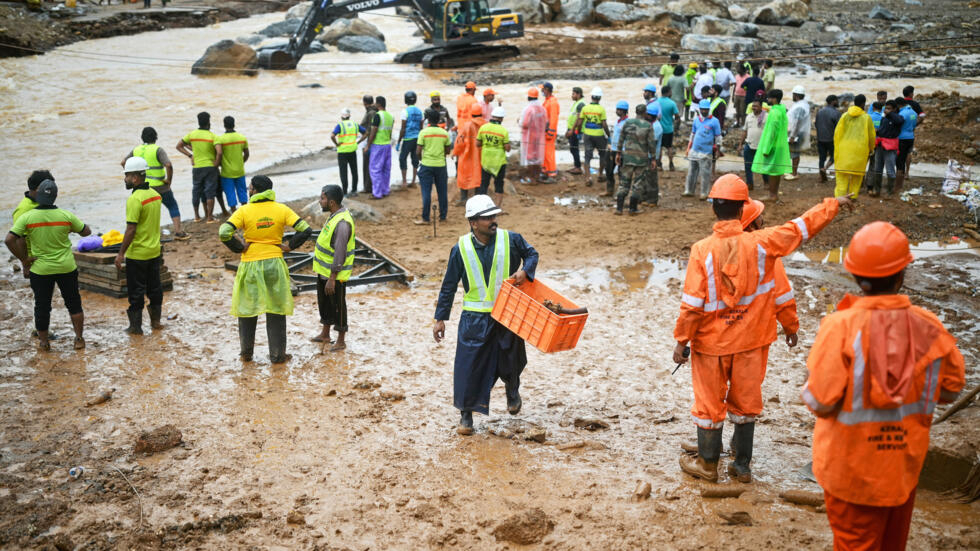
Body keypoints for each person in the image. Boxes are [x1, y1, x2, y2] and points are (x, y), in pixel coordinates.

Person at [674, 174, 850, 482]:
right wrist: (832, 205)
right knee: (745, 403)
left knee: (708, 403)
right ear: (743, 209)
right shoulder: (763, 243)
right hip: (752, 342)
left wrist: (681, 341)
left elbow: (692, 305)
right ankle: (741, 467)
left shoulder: (702, 251)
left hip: (712, 345)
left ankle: (707, 465)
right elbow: (800, 228)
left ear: (714, 208)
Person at [802, 221, 964, 550]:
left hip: (849, 475)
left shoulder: (840, 328)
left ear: (855, 277)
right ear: (902, 274)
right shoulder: (930, 327)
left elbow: (819, 401)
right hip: (902, 469)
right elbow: (951, 389)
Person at [433, 194, 539, 435]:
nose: (494, 220)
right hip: (474, 319)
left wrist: (526, 272)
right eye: (488, 217)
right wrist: (440, 318)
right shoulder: (460, 249)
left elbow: (532, 254)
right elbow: (449, 285)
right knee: (468, 367)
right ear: (473, 222)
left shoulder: (511, 239)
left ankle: (512, 389)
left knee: (512, 359)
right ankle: (466, 416)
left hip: (507, 314)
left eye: (494, 216)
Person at [218, 175, 311, 364]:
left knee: (247, 309)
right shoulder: (282, 209)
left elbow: (223, 232)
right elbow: (305, 229)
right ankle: (277, 355)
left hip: (250, 263)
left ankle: (246, 353)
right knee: (276, 309)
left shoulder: (244, 211)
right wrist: (290, 246)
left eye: (249, 187)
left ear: (254, 190)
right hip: (274, 263)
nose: (248, 190)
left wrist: (239, 247)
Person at [6, 180, 91, 351]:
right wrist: (72, 229)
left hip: (41, 269)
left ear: (37, 195)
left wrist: (24, 259)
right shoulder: (66, 216)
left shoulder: (27, 217)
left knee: (42, 306)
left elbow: (9, 239)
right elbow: (86, 232)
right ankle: (79, 339)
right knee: (74, 303)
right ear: (55, 196)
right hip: (66, 267)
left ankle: (44, 343)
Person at [116, 157, 164, 335]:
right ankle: (156, 322)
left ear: (135, 178)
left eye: (127, 175)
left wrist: (121, 253)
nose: (125, 179)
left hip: (138, 254)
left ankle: (136, 327)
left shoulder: (135, 199)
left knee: (136, 293)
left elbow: (131, 229)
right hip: (154, 251)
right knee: (155, 288)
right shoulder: (155, 195)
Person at [311, 184, 354, 353]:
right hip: (324, 272)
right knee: (325, 303)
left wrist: (332, 278)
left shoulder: (342, 223)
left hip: (335, 275)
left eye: (322, 198)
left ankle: (341, 339)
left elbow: (340, 251)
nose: (319, 201)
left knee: (338, 306)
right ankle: (325, 333)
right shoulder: (334, 216)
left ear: (331, 202)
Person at [124, 128, 187, 240]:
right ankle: (178, 232)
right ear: (156, 137)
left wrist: (131, 177)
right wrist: (169, 181)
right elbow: (168, 165)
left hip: (143, 186)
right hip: (160, 186)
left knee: (144, 212)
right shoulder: (158, 150)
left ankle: (145, 234)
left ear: (142, 137)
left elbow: (124, 162)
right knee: (172, 206)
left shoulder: (136, 150)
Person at [177, 112, 227, 223]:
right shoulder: (213, 136)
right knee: (210, 192)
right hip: (210, 167)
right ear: (209, 122)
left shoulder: (192, 135)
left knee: (196, 191)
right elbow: (219, 152)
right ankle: (209, 217)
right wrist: (216, 163)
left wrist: (191, 155)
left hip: (197, 167)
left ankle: (197, 217)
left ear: (198, 122)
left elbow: (179, 146)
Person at [616, 104, 658, 215]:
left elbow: (621, 139)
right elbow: (651, 144)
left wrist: (618, 153)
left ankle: (619, 208)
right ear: (645, 113)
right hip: (641, 159)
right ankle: (632, 208)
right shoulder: (648, 125)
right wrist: (653, 158)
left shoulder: (628, 123)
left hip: (628, 156)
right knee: (638, 184)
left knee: (624, 182)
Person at [833, 94, 876, 199]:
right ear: (863, 104)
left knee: (842, 176)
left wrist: (837, 148)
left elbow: (837, 134)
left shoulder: (844, 116)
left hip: (844, 150)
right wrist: (871, 148)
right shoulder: (867, 118)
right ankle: (852, 197)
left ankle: (840, 198)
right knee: (857, 176)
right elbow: (871, 136)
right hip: (860, 151)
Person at [752, 89, 791, 202]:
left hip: (773, 145)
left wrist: (766, 148)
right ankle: (774, 194)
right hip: (779, 144)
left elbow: (772, 132)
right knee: (776, 171)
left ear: (774, 99)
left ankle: (772, 195)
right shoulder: (781, 110)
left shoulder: (774, 112)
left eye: (769, 98)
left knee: (773, 171)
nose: (767, 100)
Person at [415, 109, 452, 225]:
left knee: (426, 192)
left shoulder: (423, 133)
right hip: (441, 165)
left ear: (428, 120)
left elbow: (418, 151)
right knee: (442, 192)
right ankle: (443, 217)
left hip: (427, 165)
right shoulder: (444, 133)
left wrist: (421, 159)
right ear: (438, 120)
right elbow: (447, 150)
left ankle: (426, 218)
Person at [685, 99, 722, 199]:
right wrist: (689, 147)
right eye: (702, 110)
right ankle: (689, 190)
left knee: (705, 173)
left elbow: (718, 137)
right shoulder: (696, 120)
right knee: (692, 171)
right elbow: (692, 134)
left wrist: (718, 150)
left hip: (706, 151)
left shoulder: (714, 121)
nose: (704, 111)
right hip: (695, 150)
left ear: (709, 109)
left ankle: (704, 193)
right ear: (700, 109)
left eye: (706, 110)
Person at [476, 107, 511, 210]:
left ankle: (482, 207)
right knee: (499, 184)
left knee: (484, 184)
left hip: (486, 160)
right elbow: (507, 148)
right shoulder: (503, 131)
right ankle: (497, 207)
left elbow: (477, 144)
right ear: (501, 118)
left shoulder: (483, 128)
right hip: (499, 161)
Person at [575, 87, 610, 189]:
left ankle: (588, 178)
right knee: (602, 154)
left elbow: (580, 122)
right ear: (600, 98)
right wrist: (608, 135)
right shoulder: (601, 109)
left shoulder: (585, 108)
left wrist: (579, 133)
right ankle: (600, 175)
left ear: (591, 97)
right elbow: (604, 124)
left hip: (587, 135)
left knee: (587, 156)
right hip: (599, 134)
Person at [214, 116, 250, 212]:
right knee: (242, 191)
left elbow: (219, 154)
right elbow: (247, 154)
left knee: (230, 193)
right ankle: (245, 211)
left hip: (226, 172)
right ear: (234, 124)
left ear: (224, 125)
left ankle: (234, 212)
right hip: (240, 170)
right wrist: (241, 162)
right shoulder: (242, 138)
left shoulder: (220, 139)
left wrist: (219, 164)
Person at [870, 100, 904, 197]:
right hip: (880, 145)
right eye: (886, 108)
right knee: (877, 169)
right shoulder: (884, 119)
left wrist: (891, 114)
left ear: (894, 109)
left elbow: (899, 121)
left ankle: (889, 192)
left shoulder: (898, 118)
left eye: (889, 108)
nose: (886, 110)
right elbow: (881, 130)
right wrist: (877, 131)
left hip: (890, 147)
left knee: (890, 170)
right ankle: (877, 190)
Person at [453, 103, 485, 204]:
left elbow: (460, 140)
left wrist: (455, 152)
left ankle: (463, 198)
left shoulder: (467, 125)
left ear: (471, 114)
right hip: (481, 156)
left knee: (463, 176)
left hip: (467, 155)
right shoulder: (485, 125)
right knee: (479, 177)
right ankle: (478, 199)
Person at [332, 108, 366, 196]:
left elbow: (332, 135)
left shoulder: (340, 125)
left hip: (342, 151)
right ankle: (354, 190)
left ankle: (345, 192)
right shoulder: (355, 124)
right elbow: (366, 133)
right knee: (354, 171)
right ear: (349, 116)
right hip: (352, 150)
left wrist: (337, 144)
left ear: (341, 117)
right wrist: (358, 142)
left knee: (344, 172)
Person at [366, 96, 394, 199]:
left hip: (378, 145)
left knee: (375, 169)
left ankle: (377, 193)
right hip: (387, 145)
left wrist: (368, 145)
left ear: (378, 104)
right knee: (386, 169)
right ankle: (385, 190)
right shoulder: (390, 116)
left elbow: (373, 131)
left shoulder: (378, 116)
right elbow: (390, 132)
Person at [519, 87, 548, 185]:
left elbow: (525, 124)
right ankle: (537, 176)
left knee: (530, 158)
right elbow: (546, 122)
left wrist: (519, 121)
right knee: (538, 157)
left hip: (529, 137)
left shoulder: (528, 109)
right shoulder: (542, 109)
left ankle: (532, 179)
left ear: (528, 97)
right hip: (540, 136)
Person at [740, 93, 769, 191]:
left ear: (761, 107)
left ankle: (766, 183)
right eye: (753, 106)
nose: (754, 108)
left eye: (756, 106)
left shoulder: (767, 117)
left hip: (761, 146)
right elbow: (745, 131)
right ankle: (749, 183)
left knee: (763, 166)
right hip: (749, 144)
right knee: (748, 166)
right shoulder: (749, 117)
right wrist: (740, 144)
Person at [397, 92, 424, 190]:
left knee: (402, 158)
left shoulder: (405, 111)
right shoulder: (420, 112)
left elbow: (403, 128)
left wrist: (399, 141)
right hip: (417, 139)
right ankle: (413, 181)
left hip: (408, 139)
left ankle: (404, 182)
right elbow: (421, 127)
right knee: (415, 159)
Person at [785, 85, 811, 181]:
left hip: (797, 133)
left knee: (795, 153)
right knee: (793, 152)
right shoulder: (802, 104)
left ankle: (794, 173)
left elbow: (797, 122)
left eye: (793, 94)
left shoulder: (800, 106)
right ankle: (792, 171)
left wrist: (792, 136)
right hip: (797, 132)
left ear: (796, 95)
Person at [894, 96, 918, 194]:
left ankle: (898, 186)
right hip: (911, 137)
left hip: (902, 139)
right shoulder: (913, 112)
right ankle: (901, 184)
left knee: (900, 161)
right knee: (905, 158)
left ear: (899, 105)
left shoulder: (902, 114)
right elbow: (915, 124)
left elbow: (898, 124)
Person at [815, 95, 841, 182]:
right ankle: (825, 169)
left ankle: (821, 175)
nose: (838, 103)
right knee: (834, 156)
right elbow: (839, 128)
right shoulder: (836, 113)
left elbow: (816, 124)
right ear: (833, 101)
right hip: (831, 139)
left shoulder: (820, 111)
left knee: (822, 158)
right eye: (837, 101)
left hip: (820, 138)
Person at [607, 100, 630, 198]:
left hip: (622, 150)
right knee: (609, 170)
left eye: (618, 110)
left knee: (621, 172)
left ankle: (621, 193)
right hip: (614, 149)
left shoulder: (627, 123)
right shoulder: (618, 122)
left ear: (623, 111)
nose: (617, 111)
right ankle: (609, 190)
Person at [657, 86, 680, 171]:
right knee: (669, 147)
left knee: (659, 147)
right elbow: (677, 116)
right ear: (668, 92)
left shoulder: (657, 102)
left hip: (658, 129)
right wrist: (675, 125)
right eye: (671, 91)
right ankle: (671, 164)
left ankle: (659, 165)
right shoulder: (672, 103)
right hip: (668, 129)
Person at [565, 86, 586, 175]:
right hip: (572, 129)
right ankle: (576, 166)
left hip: (575, 130)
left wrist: (572, 130)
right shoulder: (577, 103)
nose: (572, 96)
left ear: (578, 94)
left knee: (574, 148)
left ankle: (578, 167)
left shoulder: (580, 104)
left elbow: (578, 119)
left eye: (573, 94)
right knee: (573, 148)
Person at [541, 82, 560, 181]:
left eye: (543, 89)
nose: (541, 91)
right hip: (545, 132)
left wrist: (551, 132)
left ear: (547, 90)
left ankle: (551, 174)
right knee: (545, 153)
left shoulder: (552, 102)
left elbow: (553, 119)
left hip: (549, 132)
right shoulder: (547, 101)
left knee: (549, 154)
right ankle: (546, 171)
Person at [359, 95, 377, 195]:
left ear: (364, 103)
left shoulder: (371, 113)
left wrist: (365, 144)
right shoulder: (373, 111)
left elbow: (370, 130)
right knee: (372, 165)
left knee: (367, 166)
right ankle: (370, 186)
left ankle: (367, 188)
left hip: (370, 142)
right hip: (372, 142)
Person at [733, 64, 749, 128]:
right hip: (737, 95)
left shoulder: (748, 77)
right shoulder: (736, 76)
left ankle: (743, 124)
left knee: (743, 111)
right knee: (737, 111)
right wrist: (733, 95)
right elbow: (735, 86)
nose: (737, 70)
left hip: (744, 96)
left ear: (742, 69)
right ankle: (737, 123)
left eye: (738, 69)